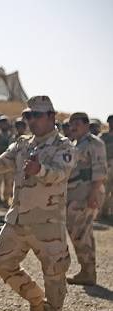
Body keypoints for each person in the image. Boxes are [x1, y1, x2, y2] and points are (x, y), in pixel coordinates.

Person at [0, 95, 76, 311]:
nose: (31, 120)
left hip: (47, 222)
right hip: (18, 219)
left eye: (36, 115)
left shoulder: (63, 146)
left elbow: (61, 174)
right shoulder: (22, 144)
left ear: (51, 116)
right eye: (28, 115)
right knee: (1, 262)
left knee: (54, 272)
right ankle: (36, 299)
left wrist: (39, 170)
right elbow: (1, 164)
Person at [64, 112, 107, 286]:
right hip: (76, 194)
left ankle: (87, 272)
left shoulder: (94, 143)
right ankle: (87, 270)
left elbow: (100, 171)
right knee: (82, 233)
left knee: (80, 233)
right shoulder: (76, 144)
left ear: (87, 125)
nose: (73, 127)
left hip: (86, 194)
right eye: (71, 124)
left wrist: (94, 194)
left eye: (77, 123)